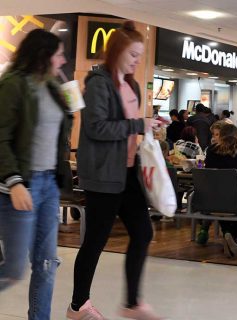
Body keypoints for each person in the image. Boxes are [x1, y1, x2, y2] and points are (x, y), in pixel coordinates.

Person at [68, 22, 163, 320]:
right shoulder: (98, 83)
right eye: (133, 54)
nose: (137, 60)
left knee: (143, 232)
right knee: (95, 240)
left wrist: (148, 127)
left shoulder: (132, 85)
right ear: (118, 51)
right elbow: (96, 128)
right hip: (104, 175)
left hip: (128, 172)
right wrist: (139, 125)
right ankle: (77, 306)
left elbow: (128, 126)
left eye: (140, 55)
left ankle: (132, 303)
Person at [0, 28, 72, 320]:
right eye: (59, 54)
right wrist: (14, 181)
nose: (64, 60)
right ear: (43, 56)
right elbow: (0, 136)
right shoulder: (12, 84)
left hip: (48, 186)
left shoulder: (54, 86)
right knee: (14, 269)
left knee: (46, 263)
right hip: (20, 187)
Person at [205, 124, 237, 257]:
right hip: (235, 199)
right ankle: (235, 235)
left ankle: (228, 234)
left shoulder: (210, 150)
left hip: (211, 199)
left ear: (221, 135)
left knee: (223, 207)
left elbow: (208, 171)